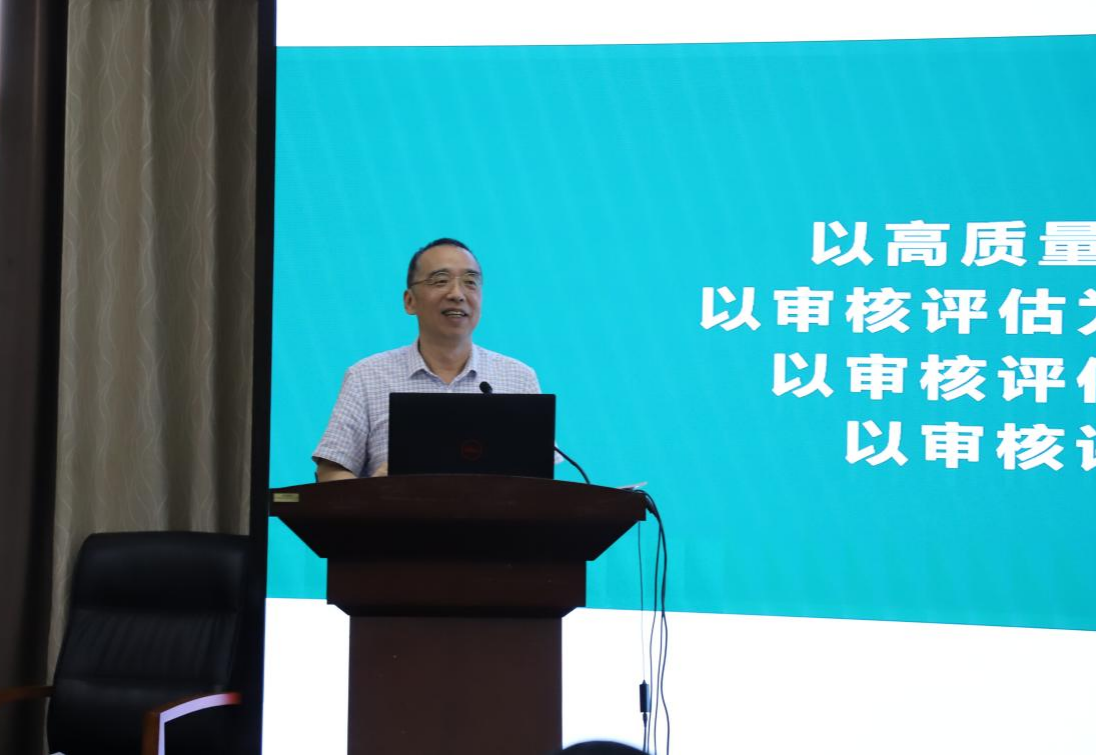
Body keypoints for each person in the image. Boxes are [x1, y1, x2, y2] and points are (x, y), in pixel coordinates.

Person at [312, 238, 542, 482]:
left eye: (470, 282)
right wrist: (374, 491)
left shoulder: (519, 378)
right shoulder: (366, 376)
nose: (457, 294)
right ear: (410, 301)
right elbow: (330, 470)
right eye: (441, 281)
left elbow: (539, 480)